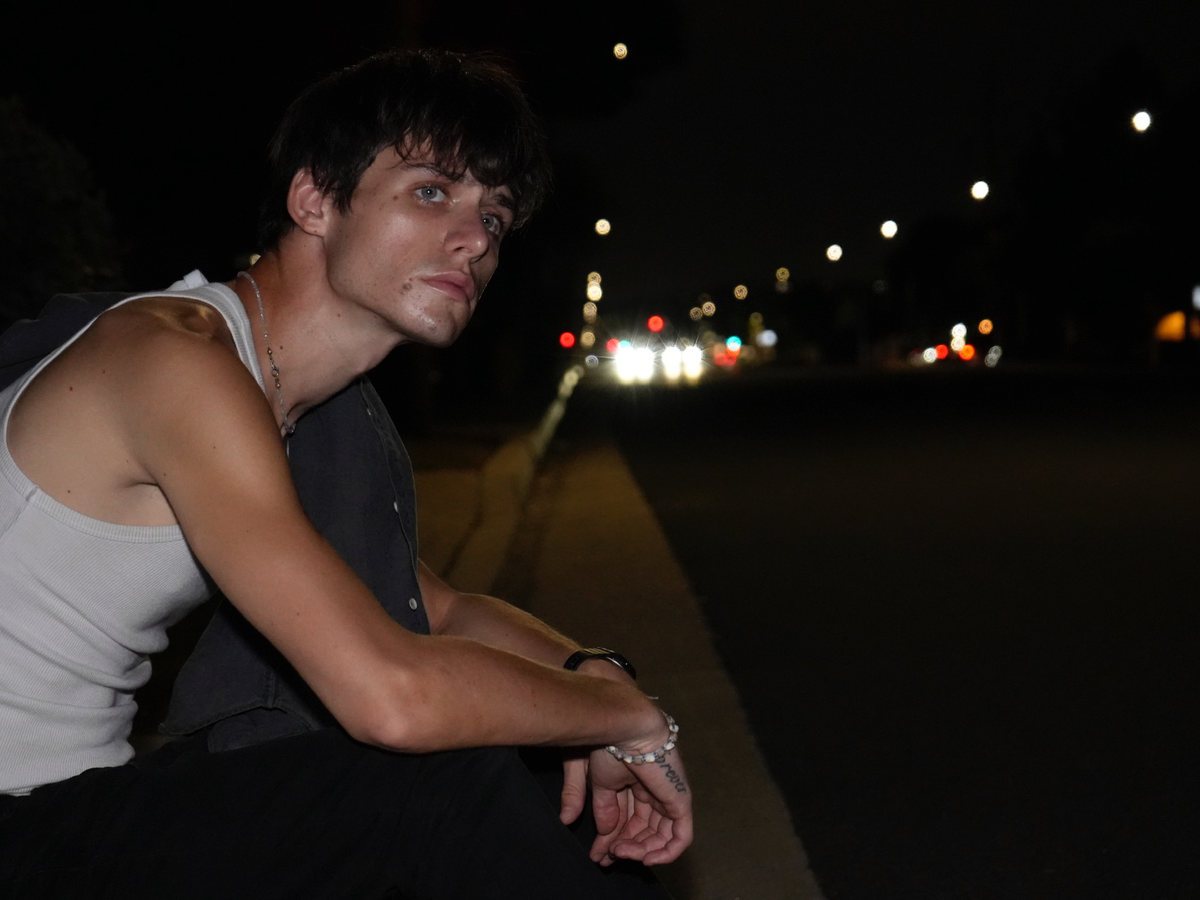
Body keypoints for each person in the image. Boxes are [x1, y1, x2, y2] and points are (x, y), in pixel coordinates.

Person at [0, 49, 691, 898]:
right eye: (432, 192)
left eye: (494, 215)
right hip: (27, 825)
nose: (476, 239)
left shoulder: (299, 406)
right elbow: (391, 697)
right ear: (315, 199)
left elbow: (437, 609)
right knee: (444, 794)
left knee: (537, 790)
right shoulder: (177, 362)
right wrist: (629, 721)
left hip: (72, 806)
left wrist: (593, 676)